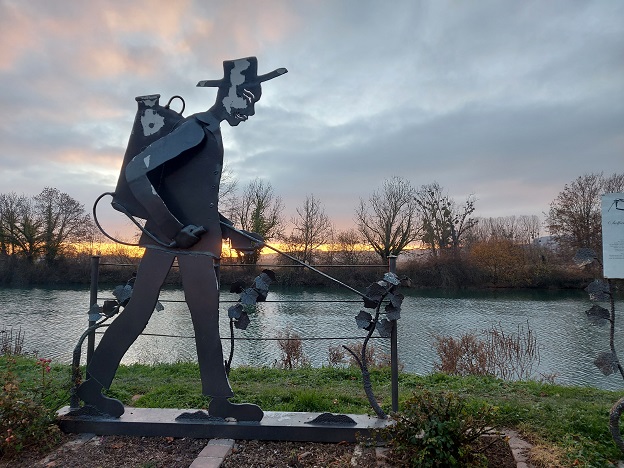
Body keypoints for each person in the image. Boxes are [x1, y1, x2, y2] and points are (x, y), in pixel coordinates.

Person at [77, 57, 287, 421]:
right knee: (141, 312)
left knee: (203, 317)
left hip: (196, 241)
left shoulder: (211, 130)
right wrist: (174, 230)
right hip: (171, 239)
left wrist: (231, 233)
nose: (251, 109)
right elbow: (136, 171)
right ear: (231, 92)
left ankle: (218, 400)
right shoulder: (197, 128)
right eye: (248, 98)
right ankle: (93, 387)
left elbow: (194, 199)